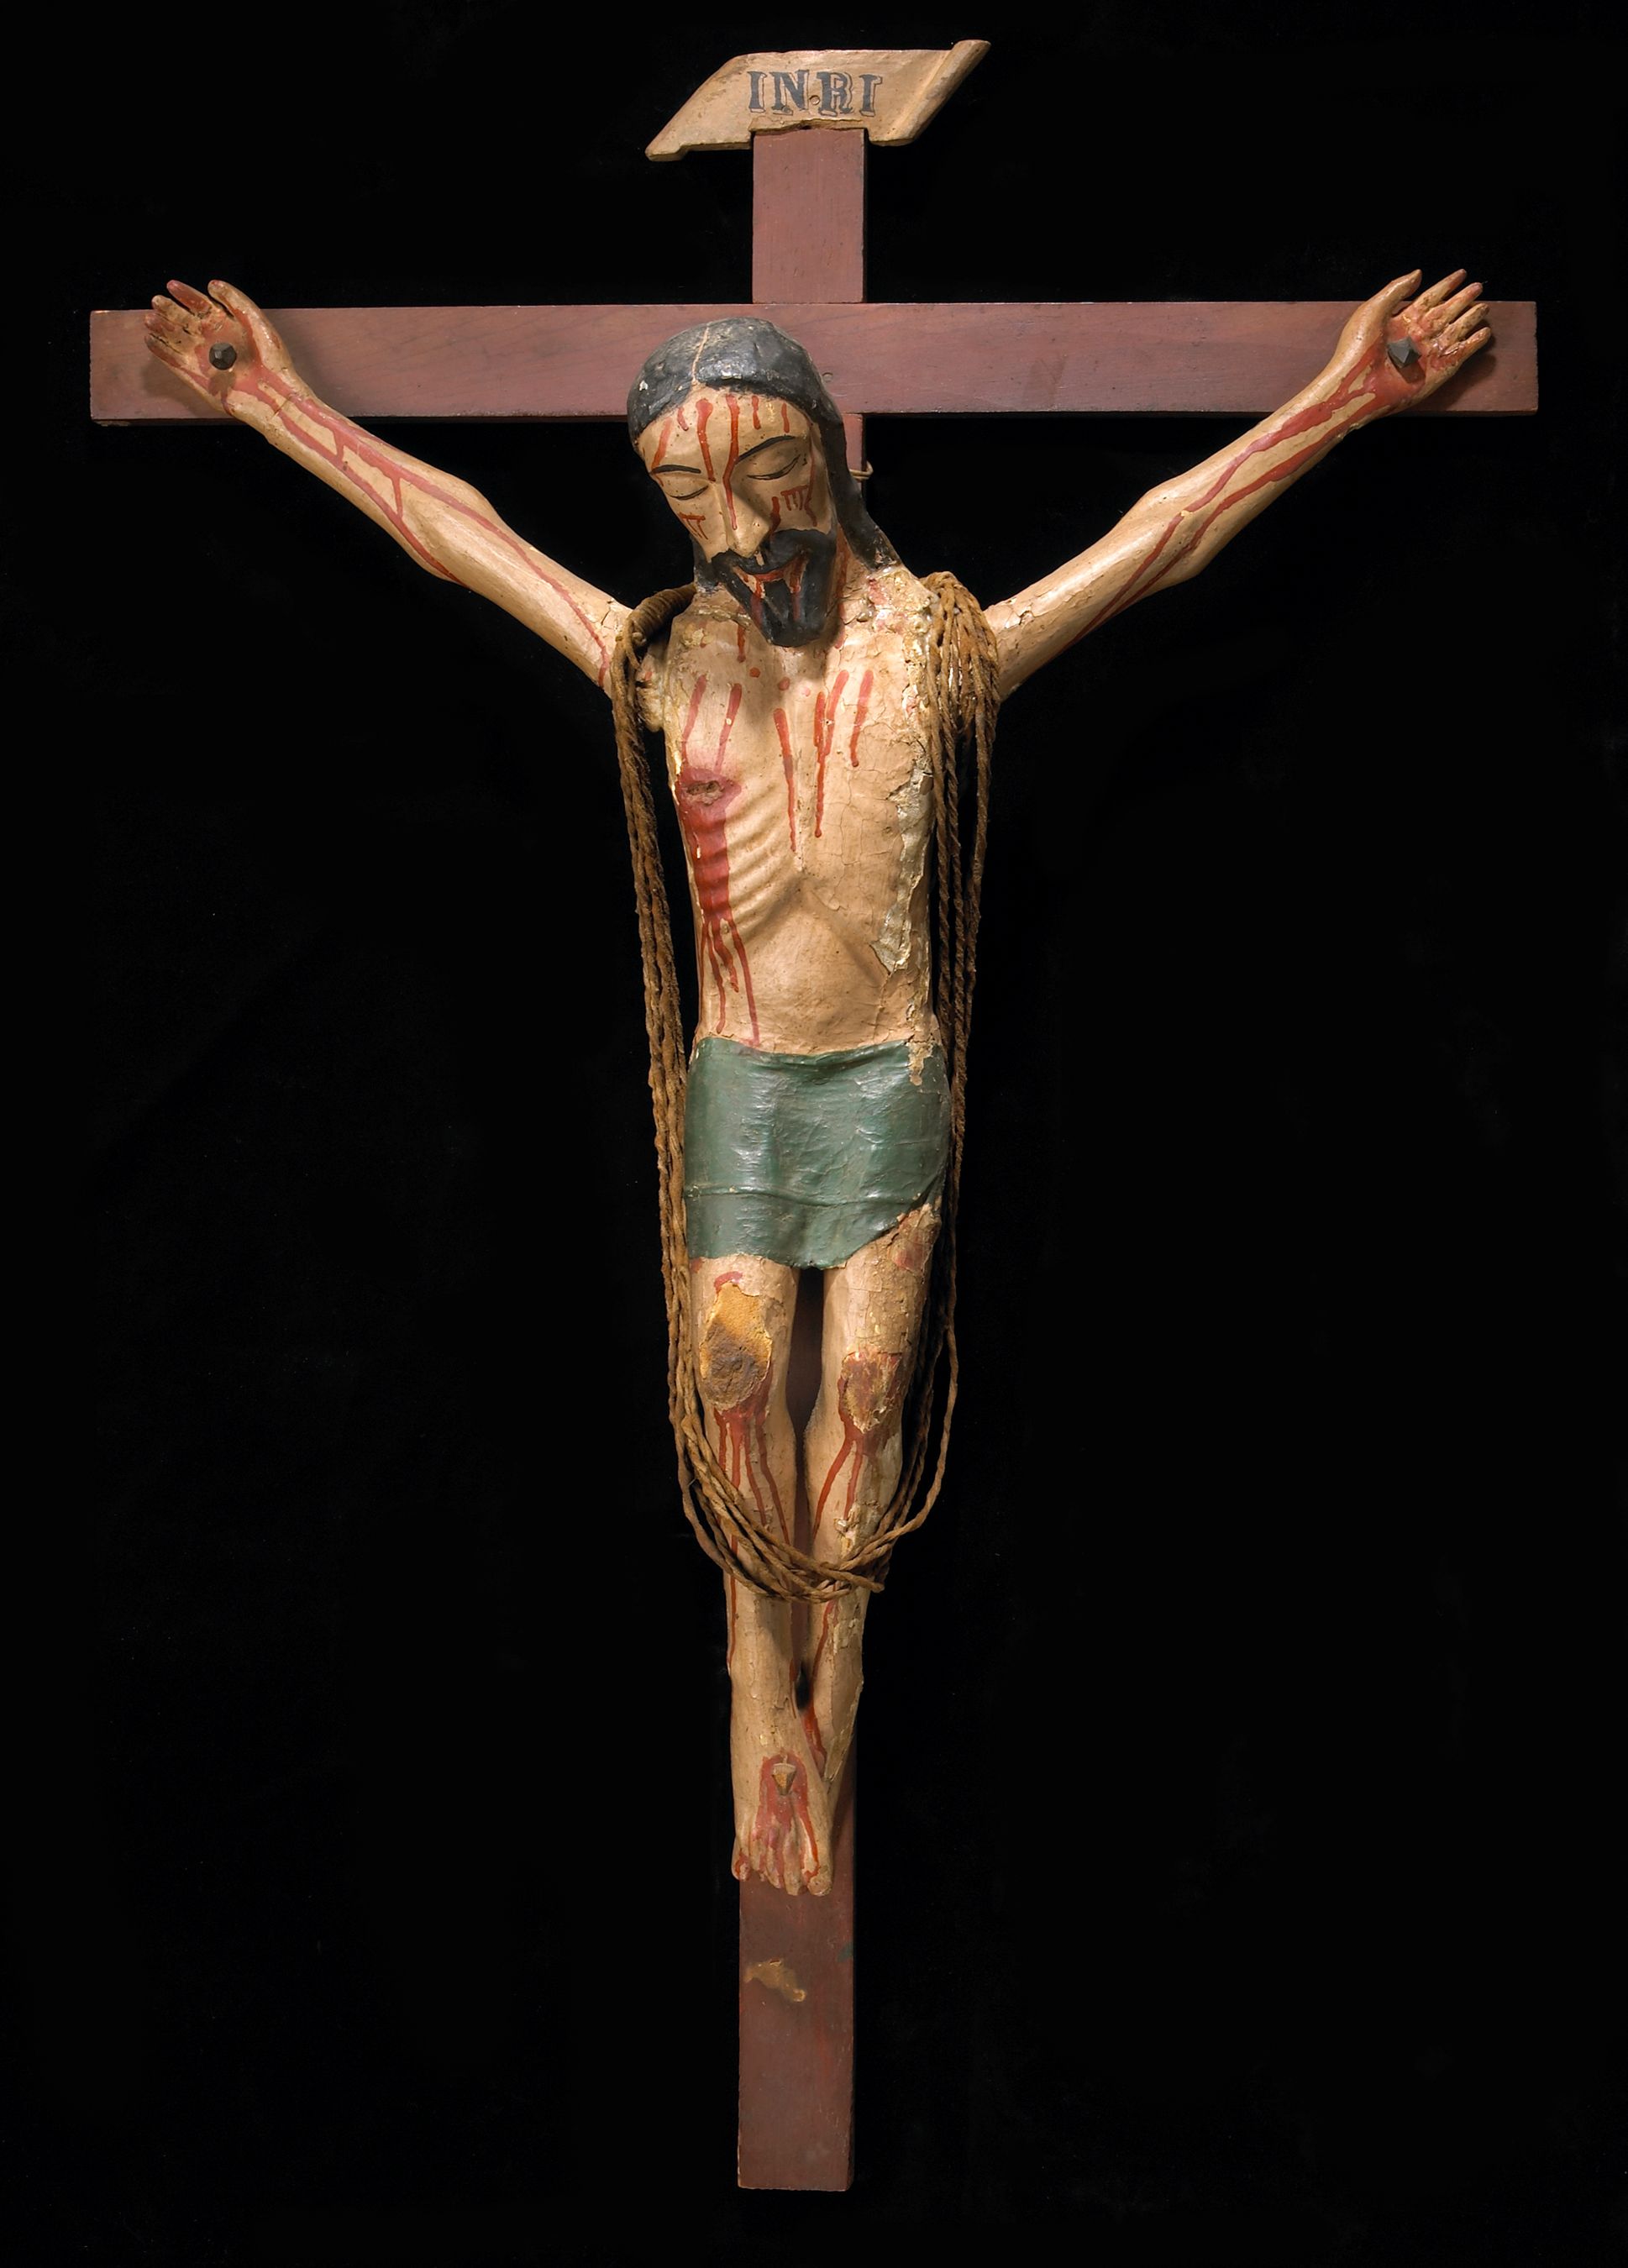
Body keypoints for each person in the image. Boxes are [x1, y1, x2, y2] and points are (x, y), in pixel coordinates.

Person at [144, 270, 1491, 1892]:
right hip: (744, 1071)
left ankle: (833, 1675)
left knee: (862, 1387)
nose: (739, 527)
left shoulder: (936, 652)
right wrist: (269, 399)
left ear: (836, 453)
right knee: (730, 1376)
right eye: (687, 493)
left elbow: (1161, 538)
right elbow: (460, 537)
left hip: (885, 1071)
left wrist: (1349, 395)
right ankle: (750, 1675)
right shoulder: (659, 662)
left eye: (773, 471)